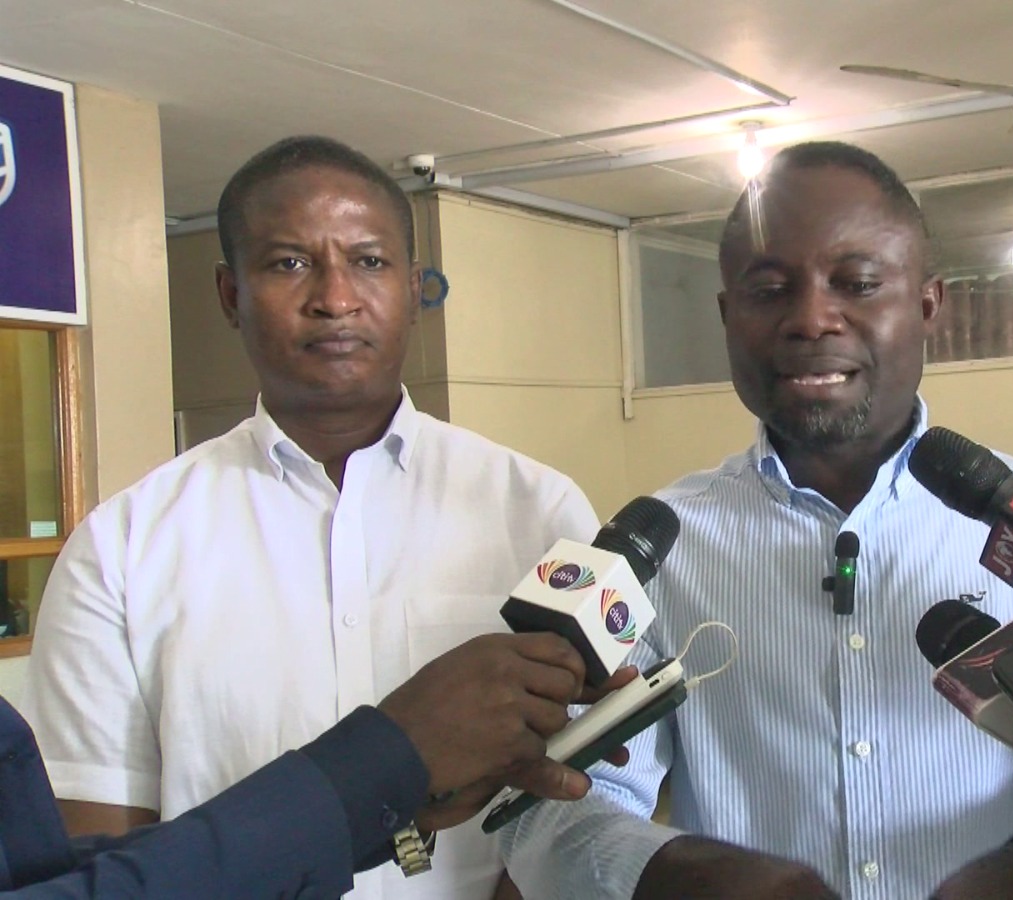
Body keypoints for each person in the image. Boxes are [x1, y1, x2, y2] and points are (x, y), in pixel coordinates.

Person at [498, 142, 1013, 900]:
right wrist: (669, 872)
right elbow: (550, 805)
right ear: (727, 316)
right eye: (768, 290)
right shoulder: (660, 550)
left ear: (928, 305)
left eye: (856, 283)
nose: (811, 319)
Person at [23, 135, 602, 899]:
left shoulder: (540, 510)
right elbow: (99, 850)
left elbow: (582, 791)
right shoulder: (123, 547)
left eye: (369, 260)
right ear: (231, 295)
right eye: (290, 262)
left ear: (415, 290)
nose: (335, 297)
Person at [5, 631, 618, 896]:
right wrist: (385, 762)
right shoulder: (124, 531)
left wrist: (398, 804)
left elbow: (63, 875)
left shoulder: (536, 494)